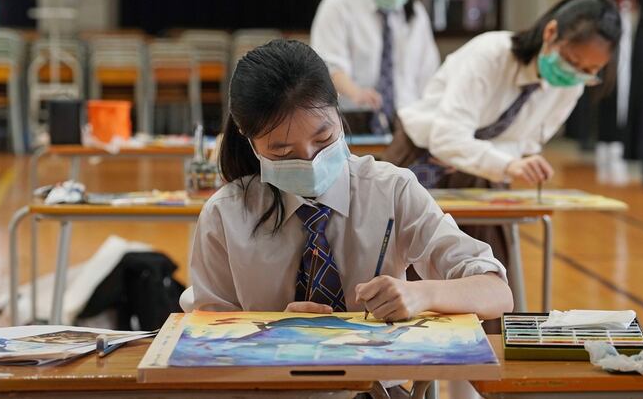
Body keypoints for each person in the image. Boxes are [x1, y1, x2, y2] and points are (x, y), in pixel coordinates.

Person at [179, 40, 512, 327]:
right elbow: (209, 330)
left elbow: (496, 292)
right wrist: (275, 327)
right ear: (247, 138)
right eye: (282, 152)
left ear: (338, 109)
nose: (310, 160)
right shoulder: (226, 214)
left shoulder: (390, 189)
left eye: (323, 138)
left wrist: (420, 293)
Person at [383, 0, 622, 268]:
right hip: (418, 158)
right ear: (551, 32)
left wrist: (507, 161)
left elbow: (527, 144)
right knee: (404, 265)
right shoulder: (490, 54)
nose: (574, 74)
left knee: (485, 273)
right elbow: (446, 138)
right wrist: (506, 162)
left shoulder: (571, 86)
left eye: (589, 70)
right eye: (571, 59)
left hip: (484, 174)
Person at [310, 0, 439, 135]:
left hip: (406, 122)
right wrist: (356, 93)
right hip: (354, 119)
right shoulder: (339, 5)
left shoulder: (416, 15)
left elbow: (428, 74)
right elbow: (328, 66)